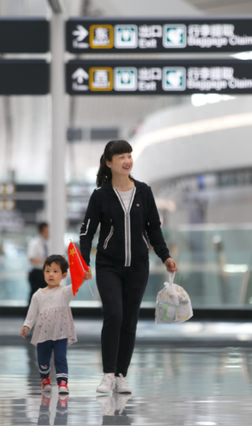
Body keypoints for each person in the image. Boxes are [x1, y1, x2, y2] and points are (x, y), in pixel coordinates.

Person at [79, 140, 177, 394]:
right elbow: (88, 231)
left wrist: (165, 256)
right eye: (121, 156)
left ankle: (121, 375)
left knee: (130, 320)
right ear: (109, 163)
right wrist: (83, 261)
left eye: (129, 155)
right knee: (114, 314)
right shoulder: (100, 195)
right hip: (108, 265)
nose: (127, 160)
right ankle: (108, 374)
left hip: (138, 267)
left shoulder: (144, 192)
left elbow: (154, 229)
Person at [21, 254, 76, 394]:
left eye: (55, 271)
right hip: (43, 333)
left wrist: (83, 276)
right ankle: (45, 379)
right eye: (47, 271)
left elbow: (76, 283)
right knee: (43, 359)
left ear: (64, 275)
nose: (51, 274)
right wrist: (27, 325)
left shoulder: (65, 292)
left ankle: (63, 383)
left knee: (60, 357)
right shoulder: (38, 295)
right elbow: (32, 312)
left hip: (61, 332)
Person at [27, 222, 49, 306]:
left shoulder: (47, 243)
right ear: (42, 232)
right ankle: (29, 317)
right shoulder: (35, 243)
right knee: (34, 296)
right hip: (37, 273)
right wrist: (45, 261)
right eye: (47, 231)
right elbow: (31, 258)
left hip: (45, 273)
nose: (48, 233)